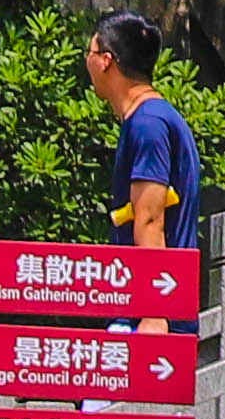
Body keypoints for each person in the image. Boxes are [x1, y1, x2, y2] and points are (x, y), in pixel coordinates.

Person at [87, 13, 203, 248]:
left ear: (105, 61)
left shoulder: (148, 123)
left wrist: (151, 283)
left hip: (159, 281)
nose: (87, 61)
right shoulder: (149, 118)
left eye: (90, 52)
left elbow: (149, 222)